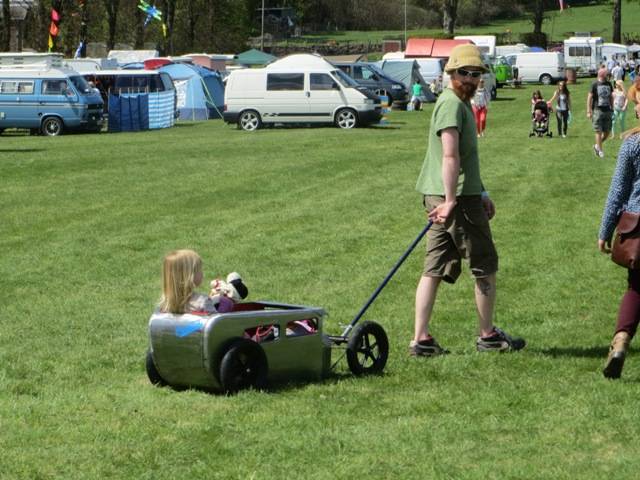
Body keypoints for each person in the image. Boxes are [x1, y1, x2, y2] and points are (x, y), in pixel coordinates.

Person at [411, 44, 526, 357]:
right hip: (457, 199)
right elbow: (450, 155)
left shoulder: (458, 103)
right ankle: (487, 335)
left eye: (477, 74)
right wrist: (451, 201)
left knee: (433, 268)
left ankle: (420, 339)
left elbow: (465, 157)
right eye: (465, 73)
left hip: (452, 195)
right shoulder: (451, 105)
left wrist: (483, 190)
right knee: (485, 264)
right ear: (451, 72)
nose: (472, 79)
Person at [598, 126, 640, 378]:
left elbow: (618, 192)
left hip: (638, 226)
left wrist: (605, 231)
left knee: (636, 288)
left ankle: (621, 341)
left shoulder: (633, 144)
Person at [159, 249, 235, 315]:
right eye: (199, 269)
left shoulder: (166, 303)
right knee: (226, 303)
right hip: (201, 331)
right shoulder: (203, 301)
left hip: (181, 331)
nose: (202, 272)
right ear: (190, 276)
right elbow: (216, 325)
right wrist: (225, 302)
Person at [587, 67, 614, 158]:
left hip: (607, 110)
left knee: (607, 132)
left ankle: (597, 146)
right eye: (606, 74)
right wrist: (589, 110)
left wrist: (612, 107)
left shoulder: (609, 84)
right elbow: (589, 97)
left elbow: (611, 97)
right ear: (602, 74)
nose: (608, 75)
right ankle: (600, 151)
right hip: (597, 110)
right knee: (598, 131)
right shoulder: (594, 84)